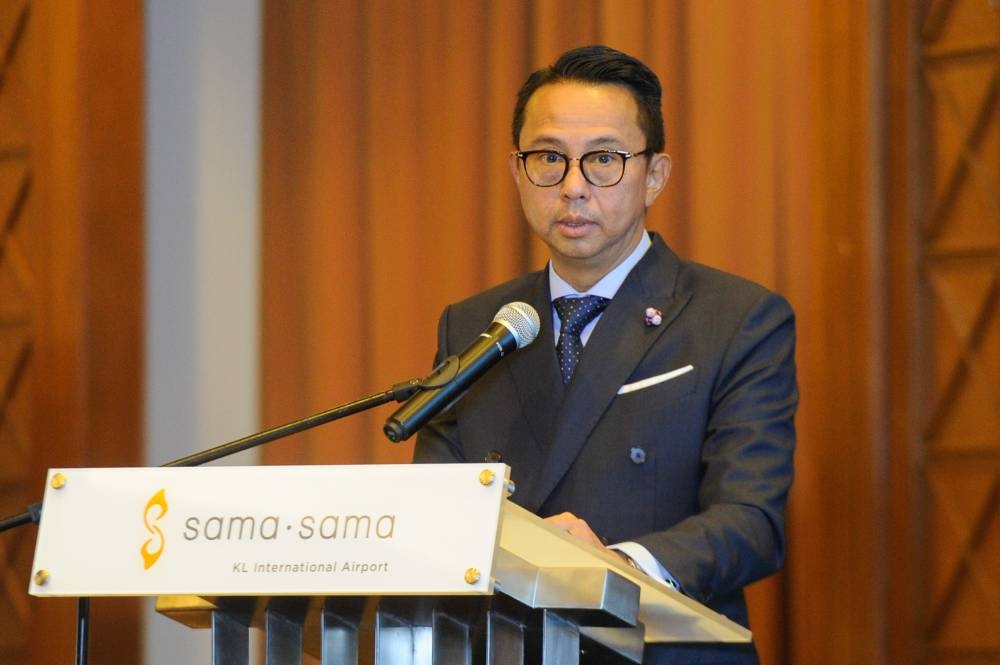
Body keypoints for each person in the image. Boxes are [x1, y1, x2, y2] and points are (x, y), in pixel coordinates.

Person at [413, 44, 797, 664]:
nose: (572, 187)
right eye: (547, 158)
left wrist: (615, 568)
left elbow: (752, 522)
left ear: (655, 176)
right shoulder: (475, 325)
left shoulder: (735, 319)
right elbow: (438, 506)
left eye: (604, 160)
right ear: (517, 171)